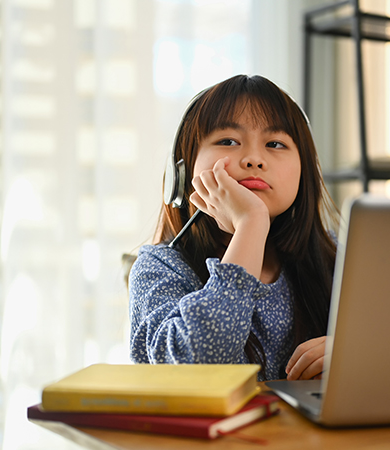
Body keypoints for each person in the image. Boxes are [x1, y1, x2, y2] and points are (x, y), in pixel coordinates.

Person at [129, 74, 340, 381]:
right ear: (183, 172)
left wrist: (354, 356)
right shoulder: (159, 268)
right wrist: (250, 224)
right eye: (228, 141)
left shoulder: (332, 258)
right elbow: (199, 371)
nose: (254, 159)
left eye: (275, 144)